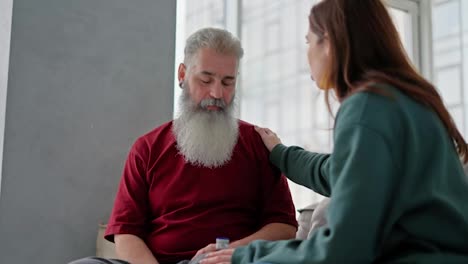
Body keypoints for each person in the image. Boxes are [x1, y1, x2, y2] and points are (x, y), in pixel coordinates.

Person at [200, 0, 468, 263]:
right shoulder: (409, 101)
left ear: (328, 43)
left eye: (308, 41)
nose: (307, 54)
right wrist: (281, 154)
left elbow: (341, 250)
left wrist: (246, 255)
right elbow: (341, 172)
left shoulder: (367, 107)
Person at [69, 27, 297, 264]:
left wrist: (231, 252)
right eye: (205, 79)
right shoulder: (147, 148)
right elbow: (126, 233)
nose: (217, 92)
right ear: (182, 74)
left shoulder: (257, 144)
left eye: (228, 82)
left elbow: (284, 227)